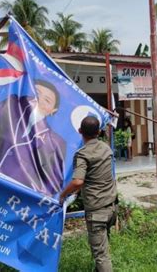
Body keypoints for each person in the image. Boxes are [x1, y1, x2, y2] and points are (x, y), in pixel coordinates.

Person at [0, 80, 66, 196]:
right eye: (36, 93)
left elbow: (53, 182)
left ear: (52, 111)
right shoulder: (9, 108)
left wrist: (32, 197)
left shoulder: (55, 142)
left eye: (47, 100)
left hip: (12, 196)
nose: (39, 99)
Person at [59, 116, 117, 272]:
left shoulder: (83, 154)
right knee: (102, 248)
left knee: (101, 256)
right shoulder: (106, 149)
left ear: (79, 131)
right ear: (98, 132)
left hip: (97, 212)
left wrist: (63, 194)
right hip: (111, 208)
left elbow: (78, 181)